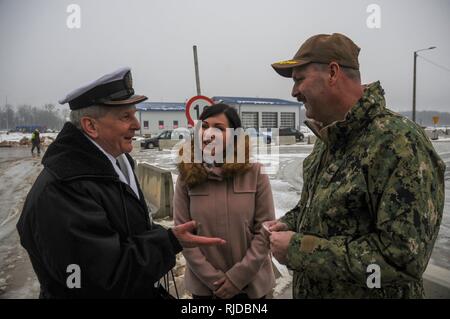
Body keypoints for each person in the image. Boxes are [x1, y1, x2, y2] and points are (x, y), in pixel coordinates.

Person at [17, 67, 225, 298]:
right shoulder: (62, 190)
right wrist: (167, 243)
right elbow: (103, 278)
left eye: (134, 114)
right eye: (125, 117)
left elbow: (125, 232)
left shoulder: (116, 162)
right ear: (90, 126)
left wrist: (167, 237)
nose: (136, 125)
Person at [268, 33, 446, 298]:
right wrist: (290, 223)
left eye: (299, 80)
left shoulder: (399, 142)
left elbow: (402, 259)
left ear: (332, 72)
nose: (294, 92)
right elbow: (326, 211)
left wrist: (299, 250)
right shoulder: (328, 138)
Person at [174, 103, 276, 299]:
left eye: (219, 128)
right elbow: (183, 235)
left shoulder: (255, 173)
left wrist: (237, 278)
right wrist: (214, 280)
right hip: (205, 289)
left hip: (252, 287)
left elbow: (265, 230)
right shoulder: (187, 177)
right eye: (204, 126)